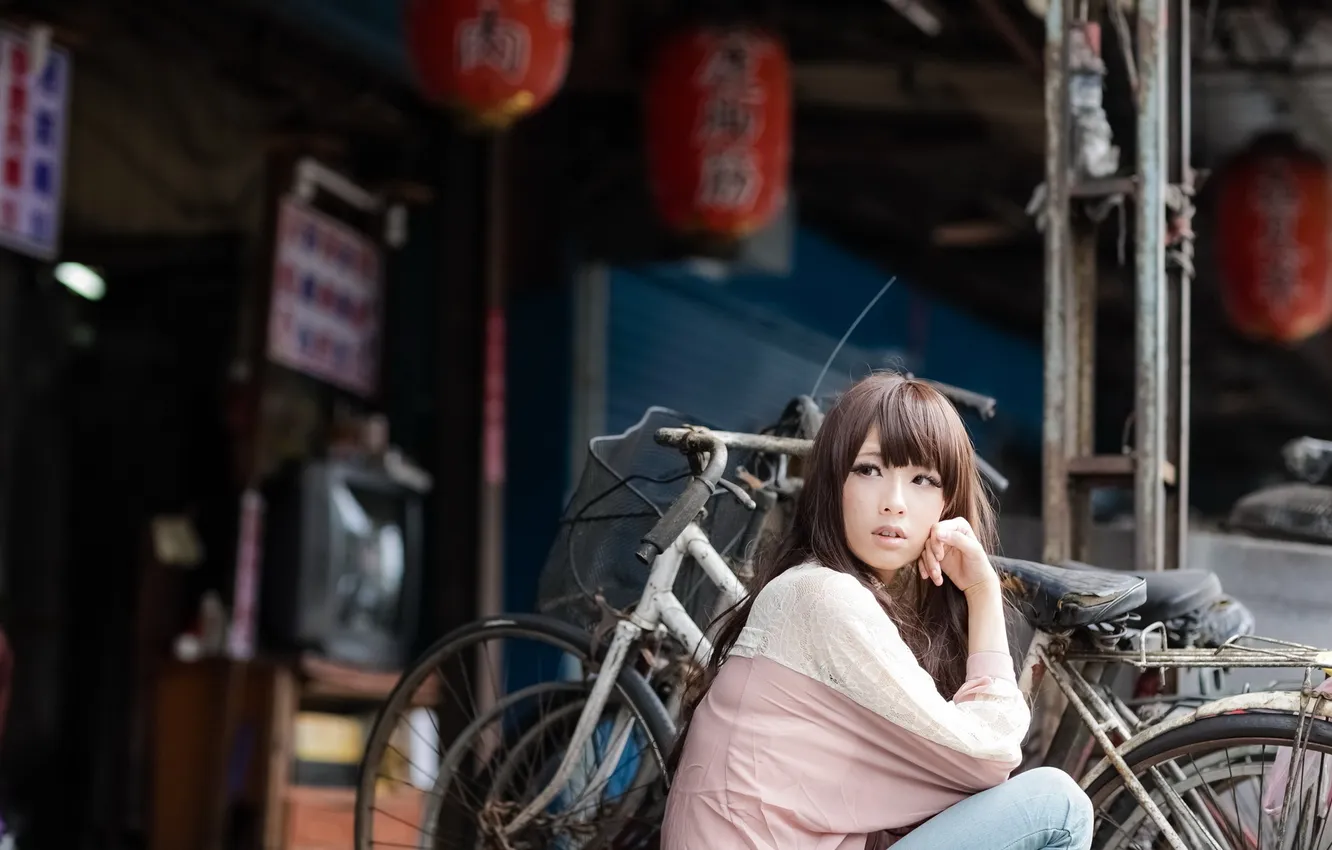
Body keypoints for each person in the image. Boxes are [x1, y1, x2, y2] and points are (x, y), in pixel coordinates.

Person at [661, 373, 1093, 850]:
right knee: (1057, 804)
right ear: (832, 482)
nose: (894, 503)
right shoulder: (823, 597)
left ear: (946, 505)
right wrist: (983, 592)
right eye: (869, 470)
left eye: (923, 479)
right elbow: (988, 758)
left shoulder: (810, 588)